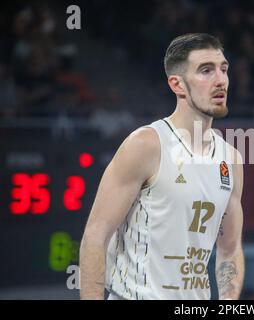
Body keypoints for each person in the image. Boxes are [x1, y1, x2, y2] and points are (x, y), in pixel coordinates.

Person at [79, 33, 245, 300]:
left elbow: (230, 248)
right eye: (206, 70)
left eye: (223, 69)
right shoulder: (146, 144)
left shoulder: (231, 160)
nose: (220, 80)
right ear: (177, 85)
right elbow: (95, 235)